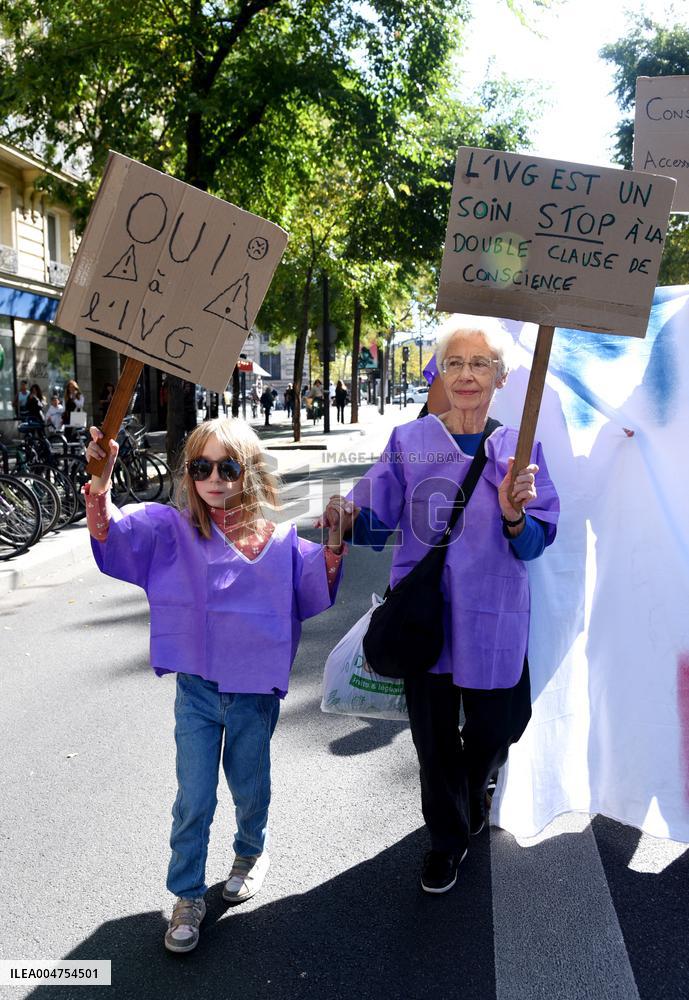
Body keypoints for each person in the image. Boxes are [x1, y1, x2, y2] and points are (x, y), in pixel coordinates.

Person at [84, 416, 347, 953]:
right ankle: (186, 894)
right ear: (189, 473)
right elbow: (112, 531)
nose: (214, 478)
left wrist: (336, 543)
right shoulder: (170, 529)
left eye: (228, 466)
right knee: (194, 795)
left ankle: (251, 851)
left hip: (252, 696)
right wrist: (101, 481)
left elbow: (314, 584)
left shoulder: (281, 542)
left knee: (249, 786)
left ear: (248, 473)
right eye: (201, 466)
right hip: (198, 693)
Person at [322, 315, 559, 895]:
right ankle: (445, 842)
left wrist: (513, 513)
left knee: (496, 729)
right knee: (433, 742)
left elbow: (534, 542)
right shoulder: (411, 441)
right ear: (440, 375)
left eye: (480, 364)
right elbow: (375, 524)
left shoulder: (518, 450)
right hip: (424, 619)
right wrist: (344, 518)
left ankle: (476, 786)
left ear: (501, 377)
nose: (466, 375)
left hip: (495, 617)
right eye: (454, 363)